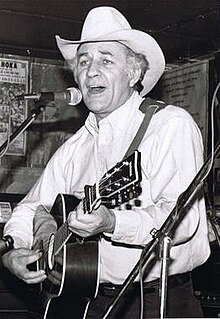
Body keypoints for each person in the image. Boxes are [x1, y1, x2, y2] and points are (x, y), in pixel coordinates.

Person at [2, 6, 210, 319]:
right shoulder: (75, 147)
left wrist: (112, 222)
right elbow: (30, 207)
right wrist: (13, 249)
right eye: (83, 62)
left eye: (106, 59)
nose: (91, 71)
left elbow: (181, 220)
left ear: (134, 73)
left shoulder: (168, 126)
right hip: (86, 300)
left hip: (157, 301)